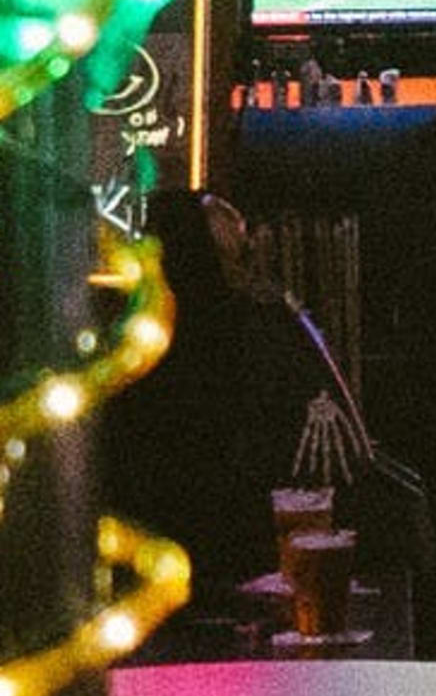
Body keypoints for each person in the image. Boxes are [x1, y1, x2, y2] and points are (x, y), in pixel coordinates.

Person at [99, 186, 348, 599]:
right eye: (238, 252)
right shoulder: (255, 325)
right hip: (242, 541)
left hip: (148, 551)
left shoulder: (129, 338)